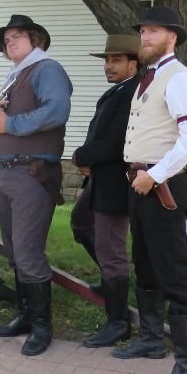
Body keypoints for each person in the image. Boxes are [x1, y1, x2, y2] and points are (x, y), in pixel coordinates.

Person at [112, 6, 187, 374]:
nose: (145, 37)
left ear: (173, 38)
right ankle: (151, 340)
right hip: (140, 184)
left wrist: (157, 174)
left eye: (153, 32)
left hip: (161, 188)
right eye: (143, 32)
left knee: (175, 276)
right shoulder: (147, 78)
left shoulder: (179, 78)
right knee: (145, 264)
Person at [0, 14, 72, 356]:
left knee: (28, 251)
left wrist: (11, 123)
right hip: (7, 172)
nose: (10, 43)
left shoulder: (47, 69)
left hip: (32, 173)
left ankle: (41, 326)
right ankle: (25, 314)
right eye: (7, 40)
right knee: (13, 250)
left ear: (35, 38)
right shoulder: (15, 75)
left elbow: (57, 111)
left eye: (17, 36)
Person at [70, 35, 141, 348]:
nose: (109, 66)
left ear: (133, 63)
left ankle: (118, 322)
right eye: (107, 60)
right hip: (100, 177)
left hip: (116, 184)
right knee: (80, 223)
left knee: (113, 252)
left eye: (116, 60)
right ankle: (110, 282)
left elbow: (118, 143)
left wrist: (82, 156)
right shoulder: (119, 91)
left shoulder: (132, 94)